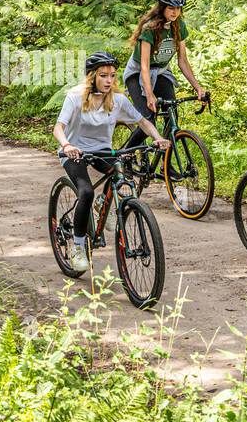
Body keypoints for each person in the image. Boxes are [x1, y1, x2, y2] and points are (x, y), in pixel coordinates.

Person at [53, 51, 169, 273]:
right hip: (75, 152)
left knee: (122, 179)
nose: (109, 81)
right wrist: (67, 145)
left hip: (102, 150)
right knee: (85, 191)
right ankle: (78, 246)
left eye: (113, 76)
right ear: (93, 76)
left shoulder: (118, 100)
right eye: (104, 76)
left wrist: (158, 138)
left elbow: (142, 122)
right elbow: (58, 128)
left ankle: (103, 205)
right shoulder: (75, 96)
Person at [120, 0, 210, 153]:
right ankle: (126, 156)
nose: (175, 12)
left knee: (172, 116)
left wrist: (198, 88)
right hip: (138, 73)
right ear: (162, 7)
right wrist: (149, 95)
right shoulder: (150, 28)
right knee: (148, 119)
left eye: (178, 8)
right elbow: (145, 66)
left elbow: (182, 61)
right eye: (171, 8)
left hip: (161, 72)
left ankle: (166, 164)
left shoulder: (178, 25)